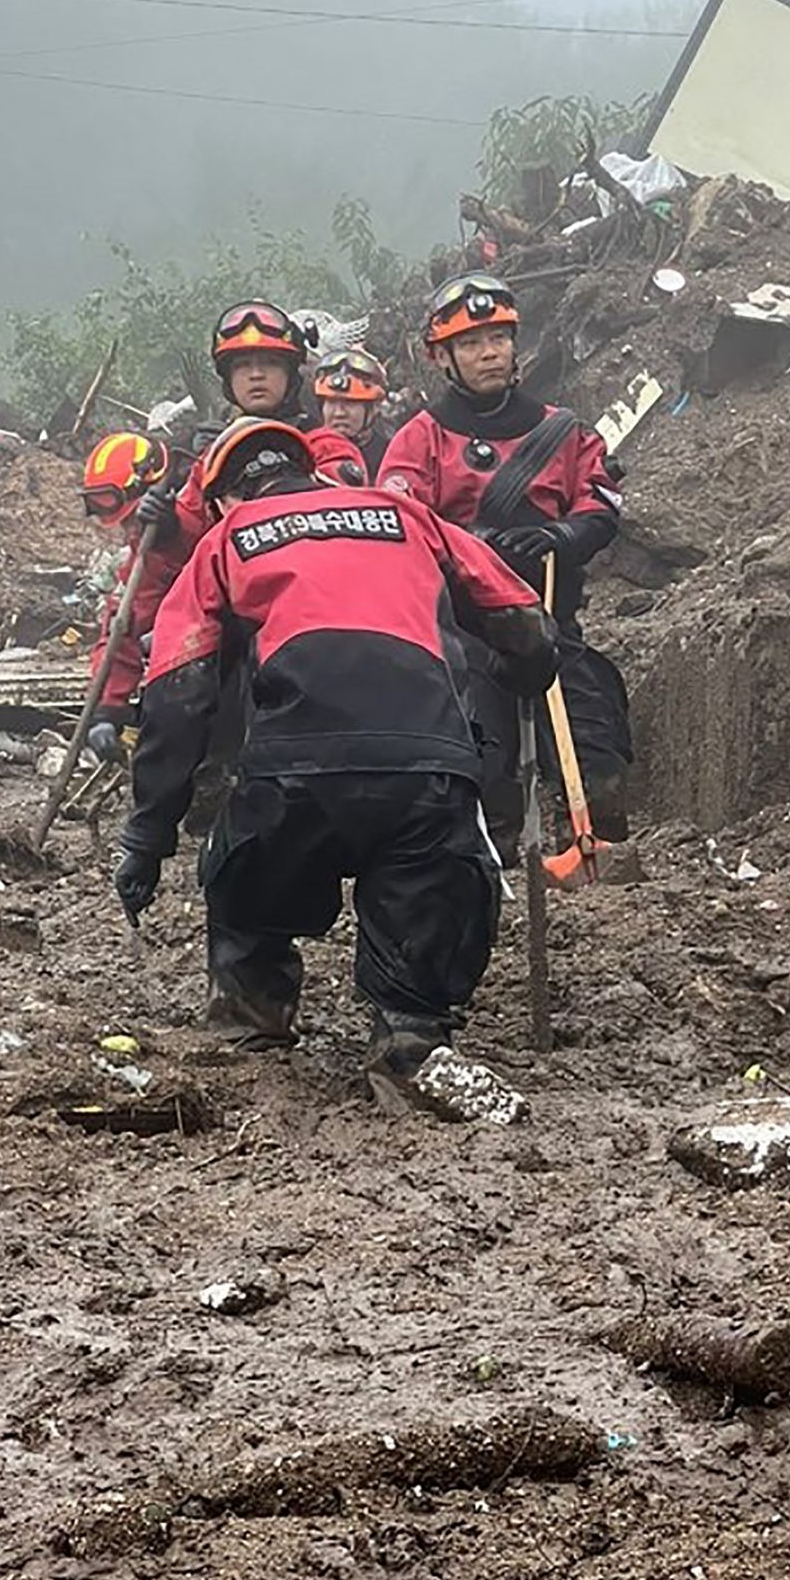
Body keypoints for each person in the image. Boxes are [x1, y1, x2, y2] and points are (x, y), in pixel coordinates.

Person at [113, 418, 557, 1094]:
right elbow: (523, 620)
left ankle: (250, 1023)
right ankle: (411, 1037)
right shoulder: (404, 513)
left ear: (225, 500)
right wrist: (526, 669)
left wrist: (147, 836)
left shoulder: (226, 541)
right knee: (436, 878)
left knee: (243, 871)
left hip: (292, 774)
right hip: (427, 767)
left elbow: (178, 692)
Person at [377, 274, 630, 858]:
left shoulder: (561, 430)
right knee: (476, 752)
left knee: (597, 741)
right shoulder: (420, 439)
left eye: (497, 338)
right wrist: (473, 547)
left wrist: (558, 535)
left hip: (550, 618)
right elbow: (399, 518)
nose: (488, 352)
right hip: (464, 634)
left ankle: (597, 843)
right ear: (442, 357)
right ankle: (492, 849)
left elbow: (601, 503)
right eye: (470, 343)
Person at [89, 300, 357, 752]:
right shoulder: (208, 468)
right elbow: (144, 590)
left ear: (293, 373)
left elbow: (345, 518)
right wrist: (108, 705)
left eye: (269, 364)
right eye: (244, 366)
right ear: (227, 379)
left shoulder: (328, 450)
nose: (256, 375)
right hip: (238, 638)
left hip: (328, 623)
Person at [80, 429, 174, 764]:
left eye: (131, 519)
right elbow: (125, 622)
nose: (127, 529)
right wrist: (107, 710)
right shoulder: (146, 552)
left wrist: (173, 534)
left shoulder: (210, 503)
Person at [312, 347, 395, 483]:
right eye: (331, 402)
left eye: (350, 403)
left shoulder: (391, 457)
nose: (339, 413)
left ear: (374, 407)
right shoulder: (304, 452)